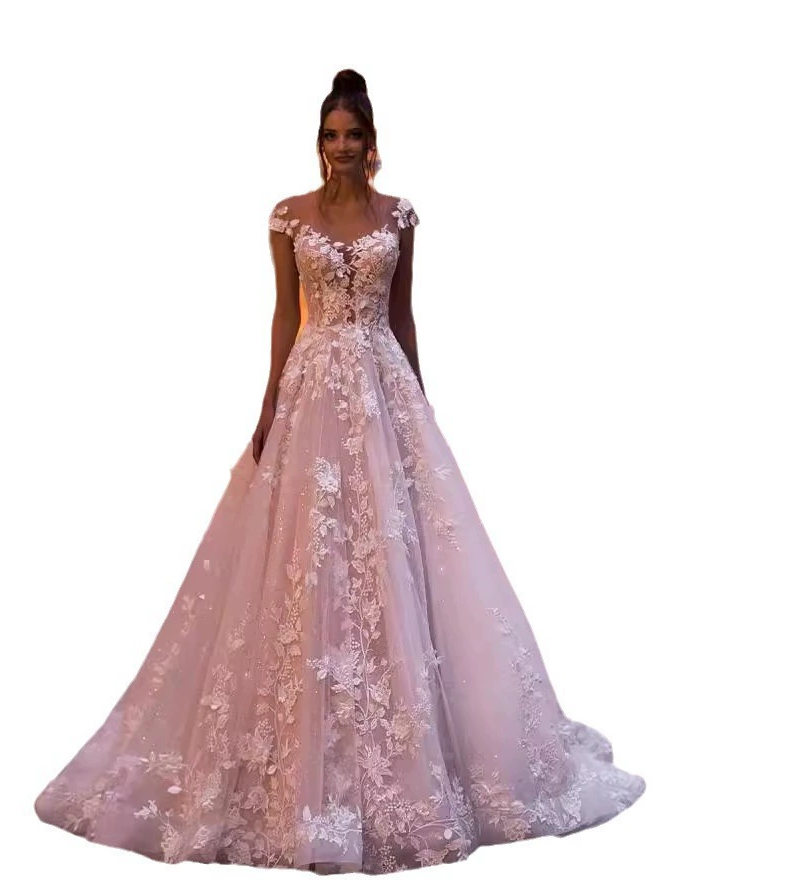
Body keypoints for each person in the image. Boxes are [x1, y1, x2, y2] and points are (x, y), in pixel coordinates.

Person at [34, 68, 646, 875]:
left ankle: (410, 750)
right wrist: (268, 403)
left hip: (383, 392)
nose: (342, 147)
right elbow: (284, 313)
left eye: (354, 135)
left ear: (372, 142)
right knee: (307, 561)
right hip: (314, 388)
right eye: (331, 136)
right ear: (318, 143)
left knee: (394, 561)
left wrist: (420, 402)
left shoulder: (400, 216)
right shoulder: (289, 216)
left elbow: (403, 314)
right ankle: (295, 759)